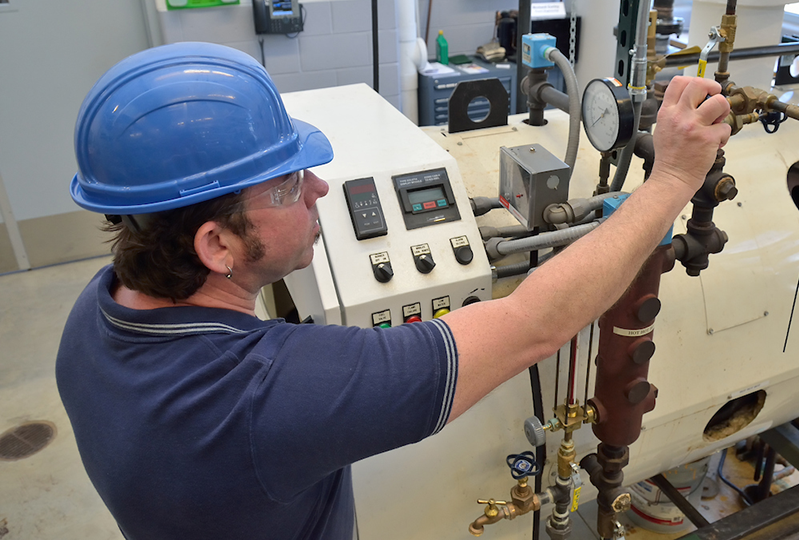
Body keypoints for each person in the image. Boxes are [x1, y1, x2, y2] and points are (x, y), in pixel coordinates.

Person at [56, 42, 730, 540]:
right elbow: (531, 323)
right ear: (216, 245)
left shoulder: (96, 312)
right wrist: (670, 182)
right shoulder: (269, 392)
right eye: (288, 185)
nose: (321, 188)